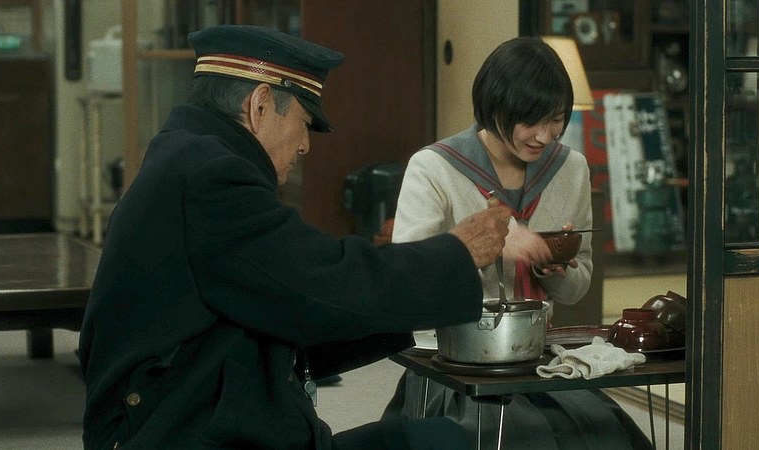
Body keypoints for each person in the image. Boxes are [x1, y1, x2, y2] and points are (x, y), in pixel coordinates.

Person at [78, 25, 513, 450]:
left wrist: (416, 303)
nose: (305, 145)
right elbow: (324, 280)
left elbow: (291, 301)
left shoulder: (187, 157)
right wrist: (458, 253)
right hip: (178, 433)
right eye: (304, 123)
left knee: (436, 437)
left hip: (194, 418)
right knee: (442, 440)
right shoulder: (210, 178)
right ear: (260, 105)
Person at [381, 37, 652, 449]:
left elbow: (576, 287)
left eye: (555, 120)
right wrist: (482, 245)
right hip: (456, 366)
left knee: (608, 434)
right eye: (530, 121)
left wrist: (552, 267)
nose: (544, 136)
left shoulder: (571, 169)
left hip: (541, 362)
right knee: (515, 438)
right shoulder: (434, 167)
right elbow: (407, 281)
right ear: (494, 107)